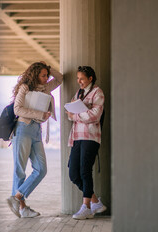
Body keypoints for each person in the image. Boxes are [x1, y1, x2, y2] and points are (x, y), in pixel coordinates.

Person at [6, 62, 62, 218]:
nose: (46, 78)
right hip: (23, 129)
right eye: (43, 75)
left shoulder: (45, 87)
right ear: (35, 74)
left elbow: (60, 78)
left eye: (46, 75)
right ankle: (22, 209)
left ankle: (17, 197)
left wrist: (49, 68)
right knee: (20, 170)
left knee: (41, 169)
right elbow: (17, 109)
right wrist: (39, 114)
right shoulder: (25, 87)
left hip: (37, 131)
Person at [66, 66, 107, 220]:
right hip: (77, 136)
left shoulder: (98, 93)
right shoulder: (78, 93)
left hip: (91, 136)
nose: (79, 82)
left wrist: (76, 115)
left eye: (81, 79)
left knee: (85, 171)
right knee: (73, 173)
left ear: (90, 78)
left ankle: (86, 207)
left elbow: (95, 116)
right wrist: (76, 113)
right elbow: (71, 114)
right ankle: (96, 202)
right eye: (78, 79)